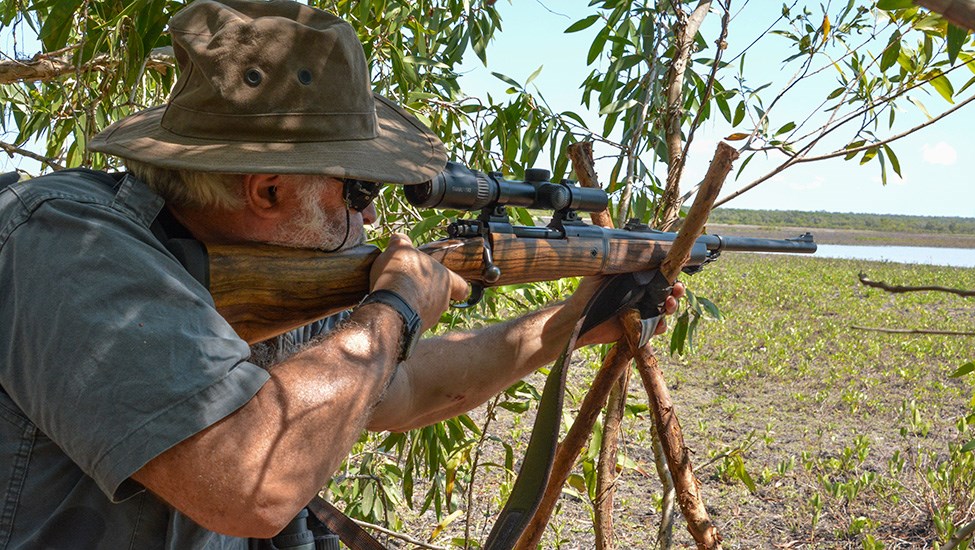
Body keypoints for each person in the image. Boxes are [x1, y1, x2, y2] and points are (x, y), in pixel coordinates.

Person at [0, 0, 683, 547]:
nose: (366, 219)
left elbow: (407, 386)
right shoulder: (66, 244)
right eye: (356, 191)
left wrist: (571, 321)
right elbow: (249, 486)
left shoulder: (267, 269)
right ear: (267, 192)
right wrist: (395, 311)